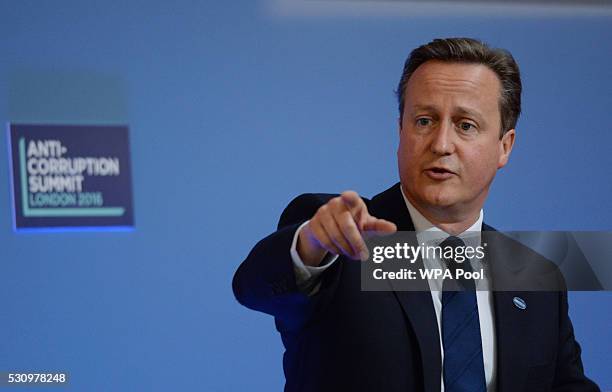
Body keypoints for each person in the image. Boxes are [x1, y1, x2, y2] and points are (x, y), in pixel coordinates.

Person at [232, 38, 599, 392]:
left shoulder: (536, 277)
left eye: (465, 125)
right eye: (424, 121)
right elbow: (255, 287)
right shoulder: (343, 237)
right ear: (401, 130)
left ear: (505, 147)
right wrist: (310, 246)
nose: (440, 144)